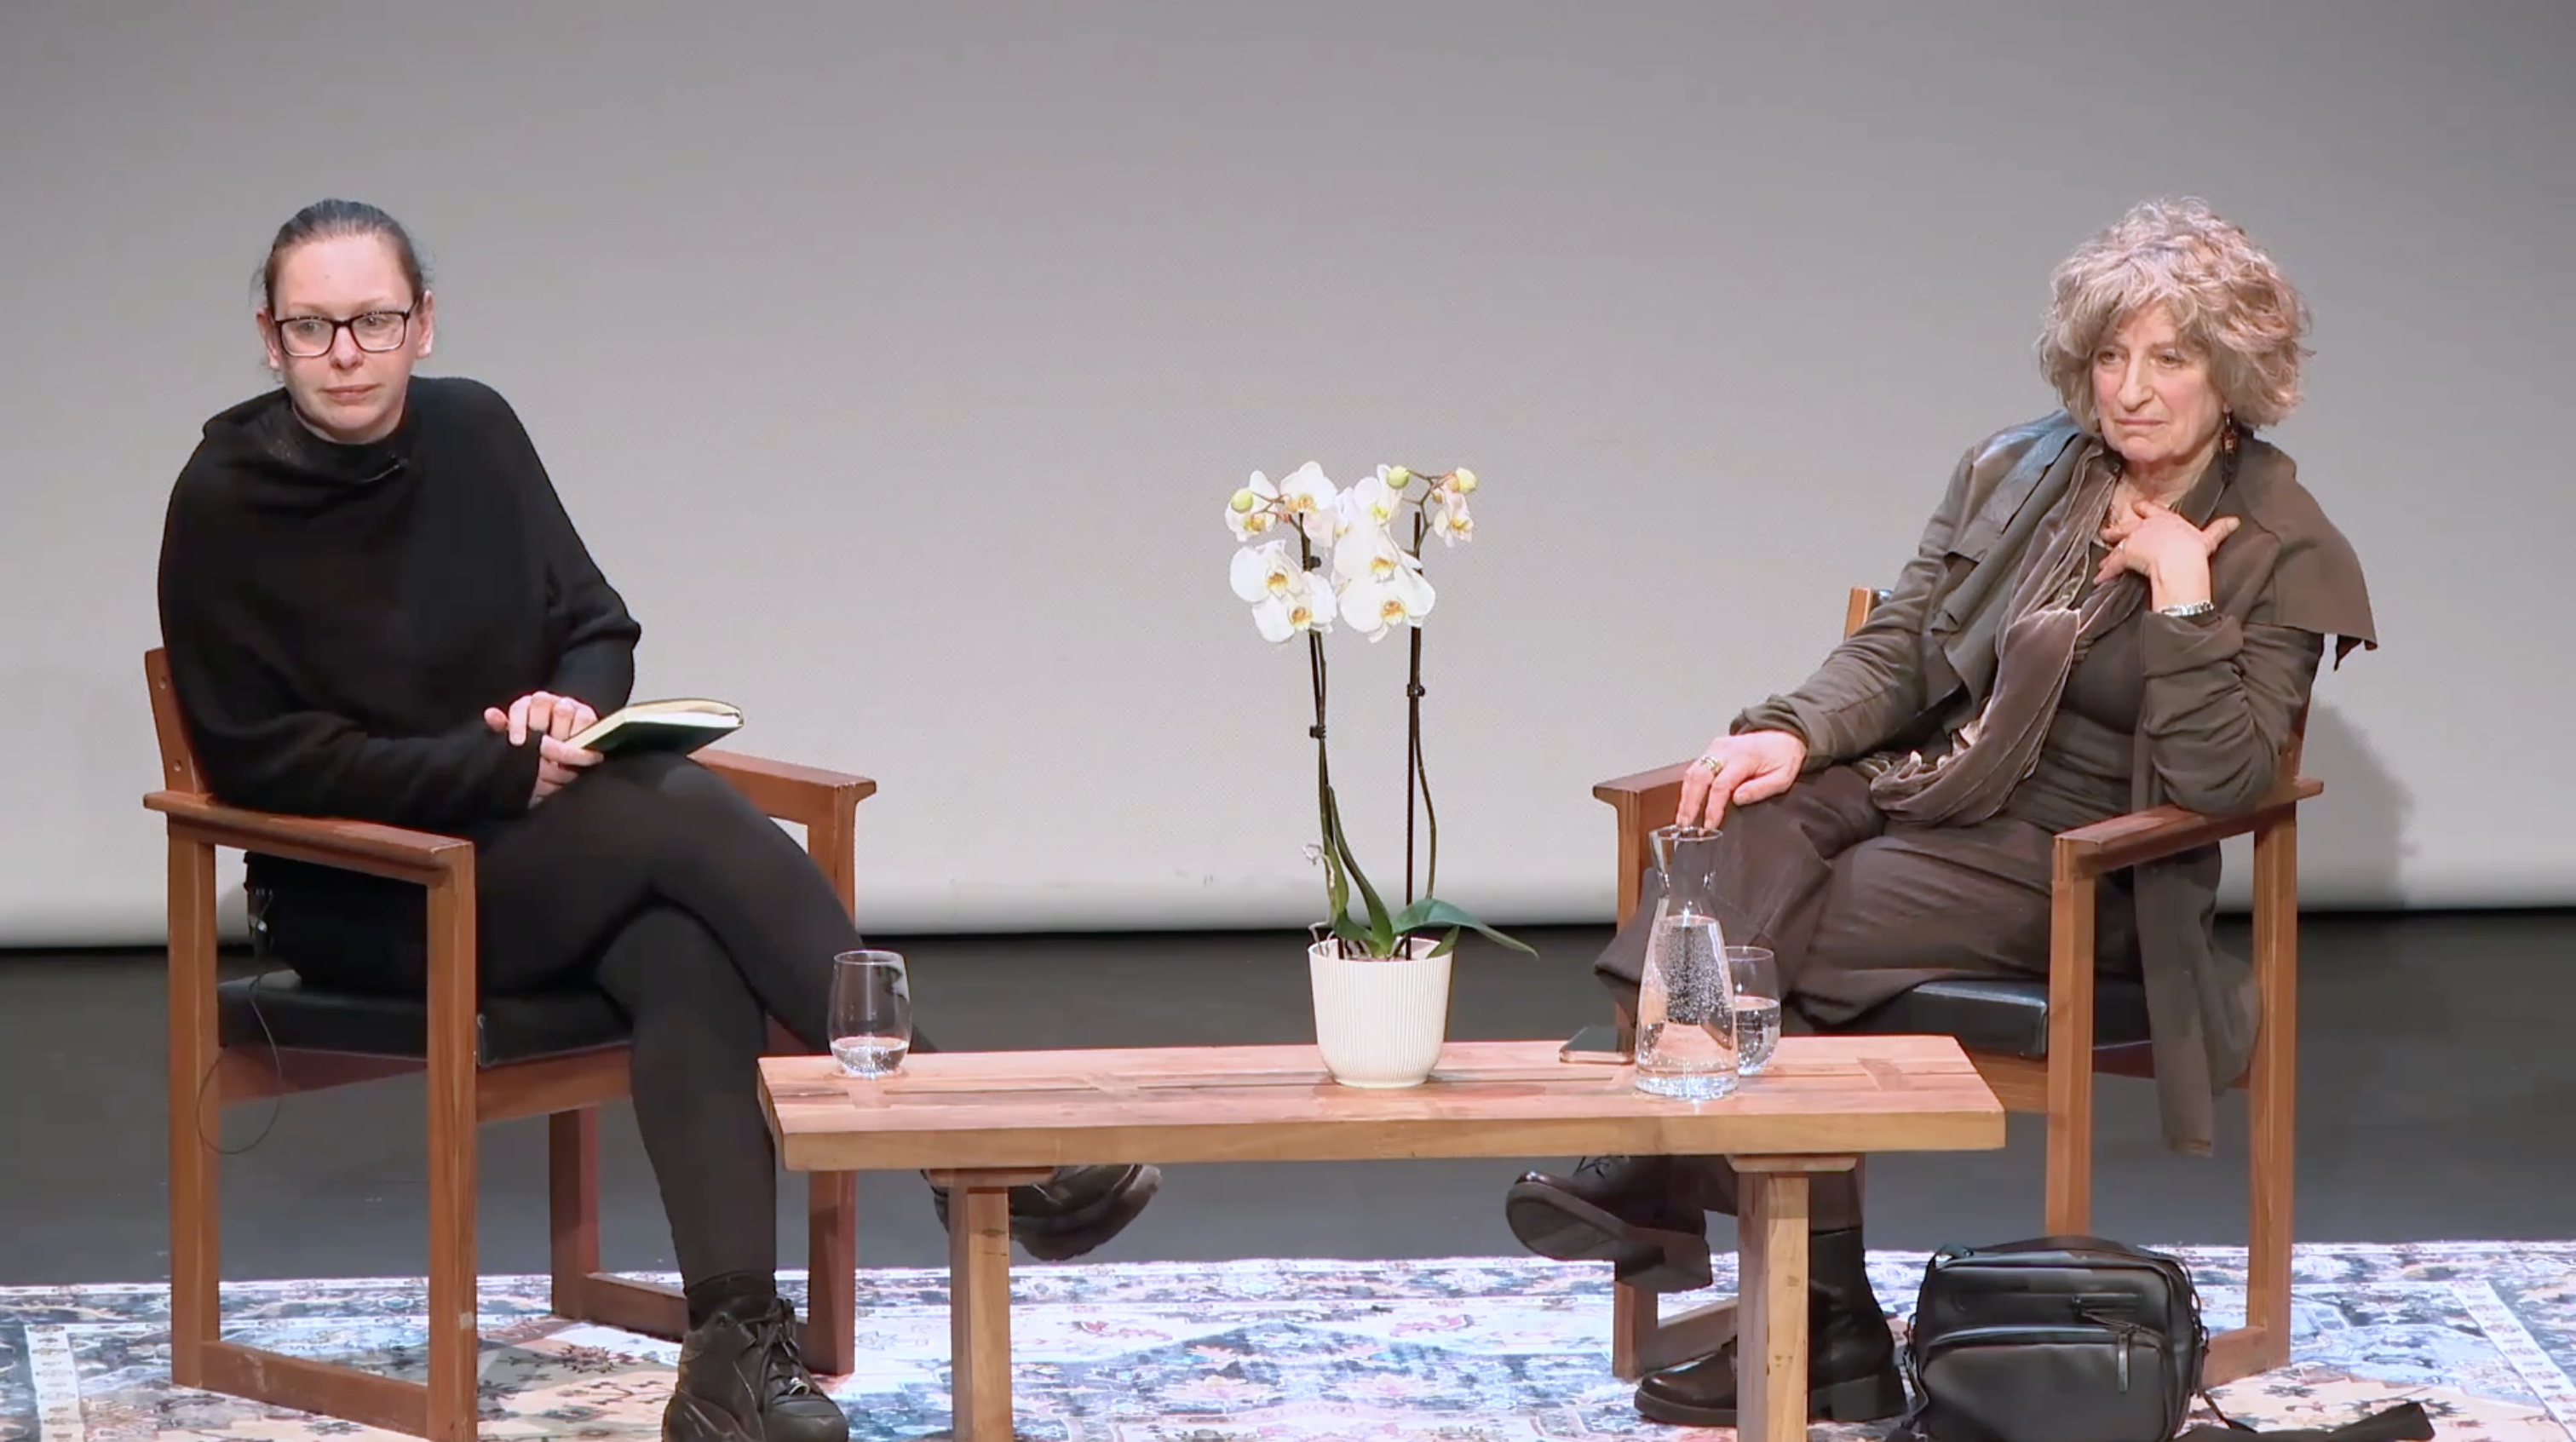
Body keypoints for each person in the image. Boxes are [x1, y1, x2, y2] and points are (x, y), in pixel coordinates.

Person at [154, 199, 1162, 1442]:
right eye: (315, 326)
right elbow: (261, 759)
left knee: (685, 942)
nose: (347, 351)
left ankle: (732, 1356)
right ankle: (951, 1125)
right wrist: (488, 772)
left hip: (539, 853)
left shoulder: (477, 430)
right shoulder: (221, 501)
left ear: (423, 322)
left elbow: (596, 621)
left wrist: (567, 705)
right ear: (270, 338)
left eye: (373, 319)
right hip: (374, 893)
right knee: (681, 814)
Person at [1503, 198, 2377, 1428]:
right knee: (1729, 831)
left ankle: (1704, 1214)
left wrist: (2184, 601)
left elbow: (2226, 784)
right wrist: (1791, 729)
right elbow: (1906, 647)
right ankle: (1820, 1318)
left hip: (2083, 864)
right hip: (1937, 785)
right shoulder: (2018, 471)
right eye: (2110, 357)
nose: (2129, 391)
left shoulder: (2284, 543)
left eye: (2169, 359)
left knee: (1799, 917)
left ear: (2232, 374)